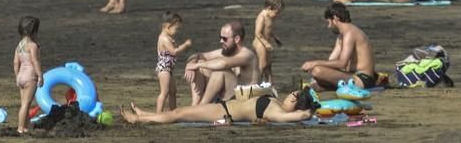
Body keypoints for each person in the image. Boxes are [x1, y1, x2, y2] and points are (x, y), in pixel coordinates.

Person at [121, 87, 318, 125]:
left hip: (223, 112)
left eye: (293, 94)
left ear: (294, 102)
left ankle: (139, 119)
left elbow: (300, 117)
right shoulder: (276, 104)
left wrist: (308, 111)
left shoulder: (277, 112)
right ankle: (145, 114)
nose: (289, 94)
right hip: (224, 107)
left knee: (178, 114)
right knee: (177, 112)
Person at [301, 2, 377, 90]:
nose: (329, 26)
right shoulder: (341, 36)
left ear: (335, 19)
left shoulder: (350, 33)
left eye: (329, 22)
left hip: (363, 79)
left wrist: (314, 63)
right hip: (351, 75)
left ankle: (322, 85)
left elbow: (342, 63)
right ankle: (320, 85)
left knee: (317, 71)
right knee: (317, 71)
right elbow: (331, 60)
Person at [184, 21, 260, 105]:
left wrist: (196, 65)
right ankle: (194, 106)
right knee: (202, 66)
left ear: (237, 39)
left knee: (220, 71)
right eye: (220, 37)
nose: (221, 41)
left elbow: (224, 64)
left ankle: (202, 106)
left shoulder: (247, 54)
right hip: (230, 96)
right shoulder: (225, 52)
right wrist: (191, 65)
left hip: (245, 100)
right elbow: (198, 55)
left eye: (224, 38)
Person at [155, 11, 192, 113]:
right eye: (176, 28)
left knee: (173, 91)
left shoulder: (169, 38)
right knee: (164, 92)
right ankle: (158, 114)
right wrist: (185, 45)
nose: (177, 31)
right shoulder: (164, 39)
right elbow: (174, 52)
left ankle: (173, 112)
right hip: (164, 69)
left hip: (169, 69)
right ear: (167, 26)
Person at [13, 16, 43, 136]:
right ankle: (20, 128)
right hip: (30, 77)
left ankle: (25, 126)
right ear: (34, 32)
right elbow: (35, 61)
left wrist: (17, 76)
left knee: (24, 103)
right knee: (26, 104)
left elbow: (15, 62)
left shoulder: (19, 46)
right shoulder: (33, 46)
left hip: (20, 76)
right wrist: (40, 75)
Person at [253, 0, 283, 85]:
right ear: (269, 8)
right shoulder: (261, 17)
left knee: (269, 65)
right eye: (276, 12)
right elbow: (258, 33)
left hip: (266, 42)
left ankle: (270, 85)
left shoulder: (269, 17)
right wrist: (266, 44)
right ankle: (256, 85)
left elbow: (268, 29)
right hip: (260, 43)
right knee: (262, 65)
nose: (277, 15)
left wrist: (275, 38)